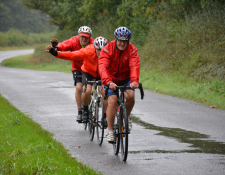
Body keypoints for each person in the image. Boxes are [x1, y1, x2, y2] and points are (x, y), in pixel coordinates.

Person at [46, 36, 108, 125]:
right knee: (87, 91)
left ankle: (105, 116)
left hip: (102, 74)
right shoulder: (88, 50)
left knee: (105, 92)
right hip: (88, 72)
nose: (101, 53)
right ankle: (85, 110)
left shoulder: (109, 53)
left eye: (103, 50)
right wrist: (56, 53)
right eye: (99, 50)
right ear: (94, 48)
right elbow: (72, 55)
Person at [98, 27, 140, 143]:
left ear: (128, 41)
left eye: (125, 41)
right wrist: (108, 81)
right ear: (115, 39)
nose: (122, 43)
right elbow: (102, 67)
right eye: (120, 40)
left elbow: (134, 66)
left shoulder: (132, 50)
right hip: (111, 80)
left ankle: (127, 116)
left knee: (130, 96)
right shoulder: (107, 49)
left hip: (125, 78)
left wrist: (134, 80)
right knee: (112, 101)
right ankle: (110, 130)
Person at [50, 26, 94, 123]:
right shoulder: (73, 41)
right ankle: (80, 111)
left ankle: (92, 103)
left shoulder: (94, 43)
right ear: (78, 36)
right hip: (77, 68)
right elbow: (64, 45)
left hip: (90, 69)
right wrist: (56, 47)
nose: (84, 39)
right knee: (79, 88)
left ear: (90, 37)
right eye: (82, 36)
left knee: (90, 89)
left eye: (86, 37)